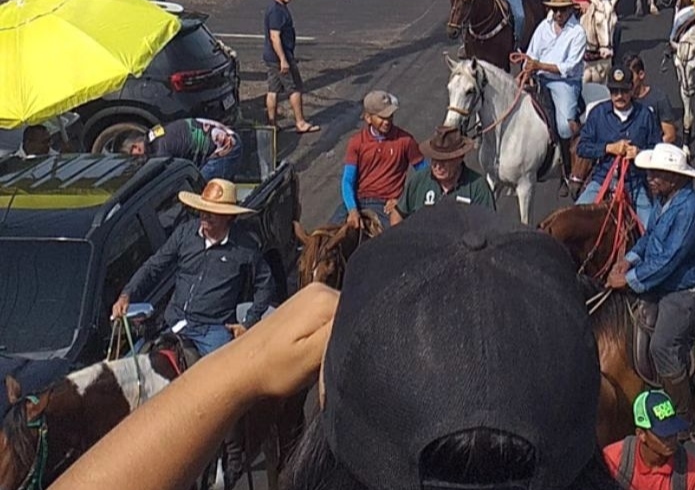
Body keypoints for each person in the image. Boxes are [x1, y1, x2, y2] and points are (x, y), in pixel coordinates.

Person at [56, 205, 618, 490]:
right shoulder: (185, 238)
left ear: (325, 390)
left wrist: (237, 369)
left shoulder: (247, 253)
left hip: (217, 333)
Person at [608, 143, 695, 432]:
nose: (650, 178)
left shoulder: (689, 211)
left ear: (677, 177)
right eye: (651, 173)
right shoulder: (663, 201)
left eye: (658, 174)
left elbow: (669, 259)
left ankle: (684, 416)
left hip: (688, 288)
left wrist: (629, 279)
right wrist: (629, 259)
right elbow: (650, 238)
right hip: (664, 279)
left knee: (663, 345)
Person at [110, 179, 274, 357]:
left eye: (212, 212)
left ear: (229, 216)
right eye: (203, 211)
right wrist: (127, 294)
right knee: (129, 367)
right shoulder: (185, 233)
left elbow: (265, 284)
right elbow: (154, 265)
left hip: (212, 330)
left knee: (224, 378)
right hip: (173, 321)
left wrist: (247, 323)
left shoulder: (244, 248)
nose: (205, 216)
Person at [575, 66, 660, 225]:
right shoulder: (598, 113)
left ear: (631, 90)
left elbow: (658, 150)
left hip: (634, 182)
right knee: (574, 219)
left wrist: (640, 153)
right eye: (614, 91)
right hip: (601, 180)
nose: (619, 96)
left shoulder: (645, 115)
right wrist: (608, 148)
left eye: (624, 91)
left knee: (652, 228)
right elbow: (582, 147)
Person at [512, 0, 587, 150]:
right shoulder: (543, 27)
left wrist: (539, 65)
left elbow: (569, 67)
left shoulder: (578, 33)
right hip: (538, 77)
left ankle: (570, 164)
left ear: (570, 9)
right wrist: (526, 70)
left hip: (564, 83)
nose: (558, 14)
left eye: (562, 9)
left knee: (564, 128)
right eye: (555, 9)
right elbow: (532, 53)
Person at [340, 90, 422, 229]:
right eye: (382, 117)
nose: (387, 121)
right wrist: (352, 210)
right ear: (368, 118)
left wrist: (402, 202)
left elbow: (424, 175)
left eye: (390, 116)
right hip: (358, 201)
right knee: (325, 238)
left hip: (386, 206)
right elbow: (348, 180)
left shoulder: (406, 141)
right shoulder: (356, 142)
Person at [602, 390, 695, 490]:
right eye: (664, 433)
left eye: (673, 430)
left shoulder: (694, 472)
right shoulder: (612, 460)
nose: (672, 438)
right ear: (641, 434)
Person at [389, 127, 494, 220]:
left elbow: (490, 225)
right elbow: (397, 213)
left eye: (444, 161)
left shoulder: (477, 187)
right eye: (435, 160)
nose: (438, 166)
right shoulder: (419, 180)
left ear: (459, 158)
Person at [263, 0, 319, 134]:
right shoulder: (276, 12)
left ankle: (272, 125)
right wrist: (283, 59)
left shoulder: (278, 8)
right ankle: (300, 123)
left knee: (273, 90)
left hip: (272, 57)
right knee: (294, 88)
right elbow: (275, 36)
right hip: (280, 58)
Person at [123, 118, 242, 181]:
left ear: (136, 147)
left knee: (199, 189)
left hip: (228, 147)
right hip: (225, 133)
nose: (136, 161)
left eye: (132, 156)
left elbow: (172, 179)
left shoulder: (160, 151)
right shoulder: (154, 133)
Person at [626, 54, 677, 144]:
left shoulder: (659, 99)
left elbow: (670, 135)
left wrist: (646, 150)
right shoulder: (623, 100)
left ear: (641, 75)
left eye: (630, 77)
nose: (627, 81)